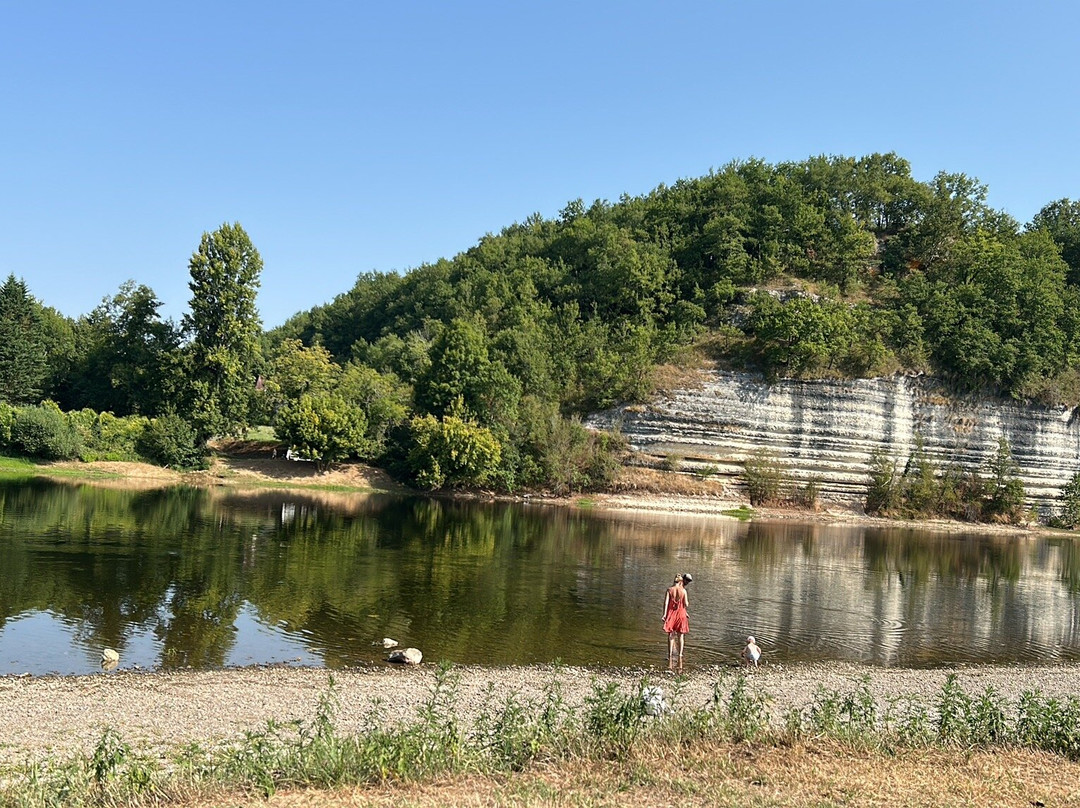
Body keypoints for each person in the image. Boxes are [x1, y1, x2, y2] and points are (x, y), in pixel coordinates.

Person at [662, 573, 690, 669]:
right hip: (681, 614)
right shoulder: (684, 591)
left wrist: (665, 614)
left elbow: (666, 603)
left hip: (671, 614)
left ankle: (669, 654)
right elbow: (686, 604)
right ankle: (680, 655)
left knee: (671, 635)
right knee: (681, 636)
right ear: (681, 581)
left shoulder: (669, 590)